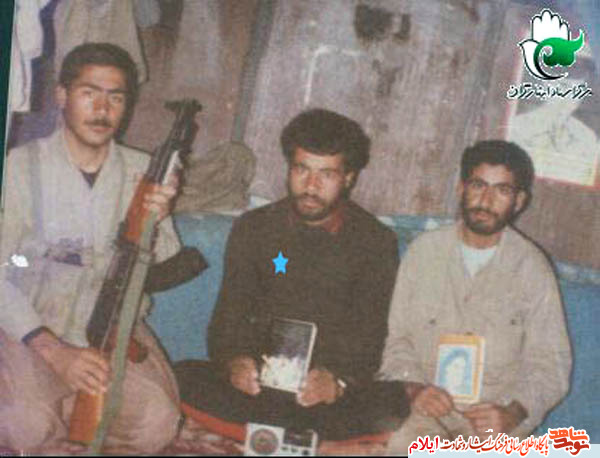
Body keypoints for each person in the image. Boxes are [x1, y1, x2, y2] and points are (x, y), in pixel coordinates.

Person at [176, 108, 406, 439]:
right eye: (301, 169)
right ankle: (308, 442)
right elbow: (228, 316)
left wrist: (338, 381)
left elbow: (371, 334)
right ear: (289, 168)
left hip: (325, 393)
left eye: (326, 174)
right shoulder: (254, 228)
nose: (311, 186)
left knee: (390, 404)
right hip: (260, 386)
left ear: (349, 178)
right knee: (182, 376)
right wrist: (235, 363)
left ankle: (269, 436)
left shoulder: (375, 242)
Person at [0, 43, 182, 453]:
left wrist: (160, 218)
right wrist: (53, 351)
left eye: (116, 97)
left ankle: (67, 411)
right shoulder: (18, 167)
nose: (102, 109)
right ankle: (52, 411)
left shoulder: (143, 171)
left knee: (157, 423)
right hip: (30, 324)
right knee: (23, 425)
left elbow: (166, 264)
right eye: (89, 93)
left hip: (113, 325)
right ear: (62, 95)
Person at [378, 140, 572, 454]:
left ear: (519, 201)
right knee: (403, 446)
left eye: (502, 190)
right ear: (461, 188)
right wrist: (414, 389)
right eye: (478, 185)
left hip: (497, 419)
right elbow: (397, 339)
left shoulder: (532, 268)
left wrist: (513, 413)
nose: (486, 200)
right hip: (428, 412)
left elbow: (551, 365)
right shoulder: (423, 253)